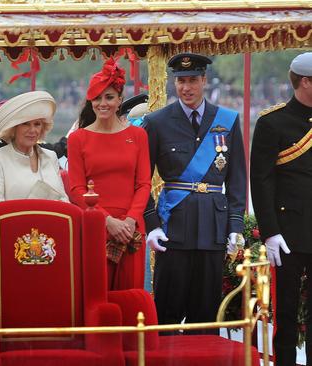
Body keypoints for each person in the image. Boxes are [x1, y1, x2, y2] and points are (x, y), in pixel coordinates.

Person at [143, 53, 246, 331]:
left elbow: (237, 180)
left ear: (204, 80)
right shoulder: (157, 122)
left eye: (192, 80)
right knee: (166, 313)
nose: (186, 88)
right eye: (180, 81)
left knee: (207, 317)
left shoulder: (226, 120)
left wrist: (235, 226)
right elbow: (141, 180)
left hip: (212, 229)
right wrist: (151, 225)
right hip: (173, 229)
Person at [67, 58, 151, 290]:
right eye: (97, 98)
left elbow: (144, 184)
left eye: (109, 97)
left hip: (131, 228)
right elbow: (76, 190)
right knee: (96, 295)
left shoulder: (138, 136)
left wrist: (129, 221)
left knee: (131, 295)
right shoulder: (78, 138)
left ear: (120, 100)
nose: (102, 103)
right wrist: (108, 221)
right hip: (95, 225)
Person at [251, 52, 312, 365]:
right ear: (304, 81)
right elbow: (261, 182)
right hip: (287, 234)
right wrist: (270, 232)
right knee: (285, 314)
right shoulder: (272, 123)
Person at [0, 91, 68, 206]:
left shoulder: (50, 156)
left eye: (37, 124)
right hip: (13, 223)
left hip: (51, 222)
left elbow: (63, 200)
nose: (32, 130)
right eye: (26, 124)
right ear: (13, 128)